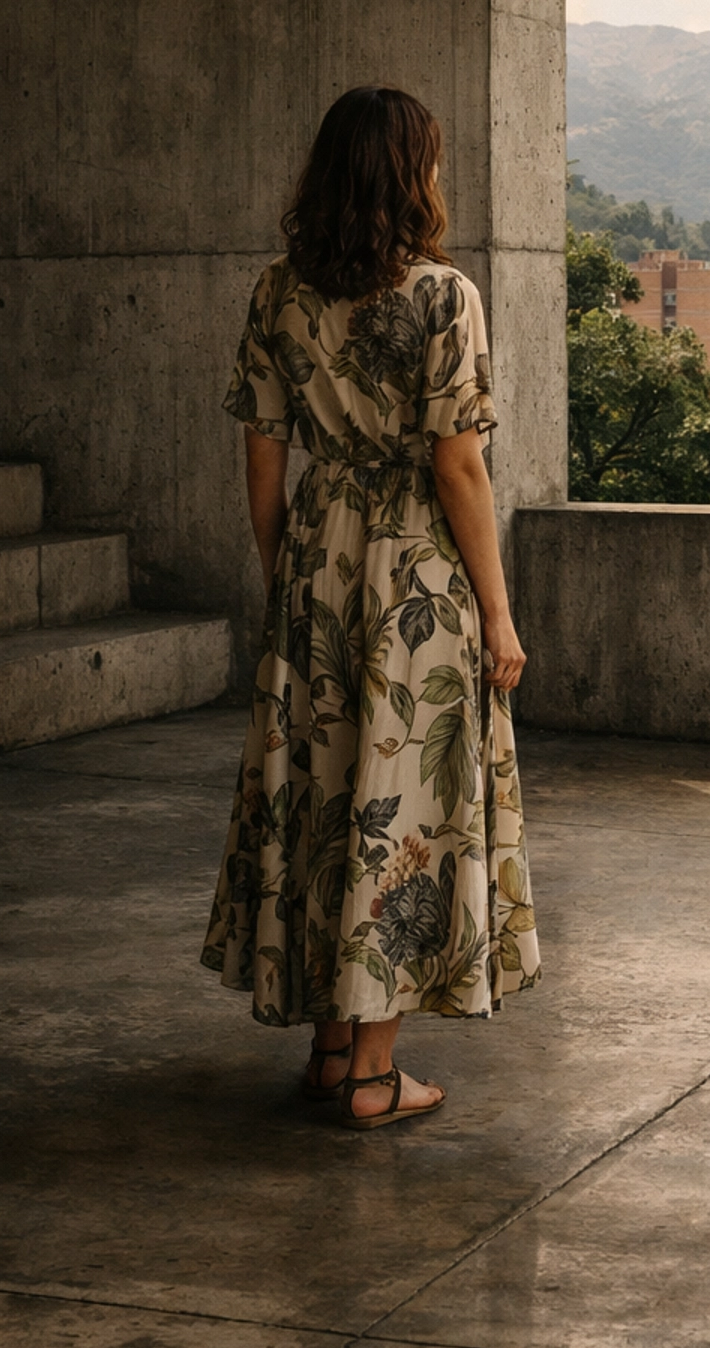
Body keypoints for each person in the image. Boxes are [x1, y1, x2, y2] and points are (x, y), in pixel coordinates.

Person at [201, 86, 540, 1129]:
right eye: (431, 161)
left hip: (318, 558)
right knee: (410, 806)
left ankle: (329, 1048)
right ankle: (374, 1078)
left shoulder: (278, 291)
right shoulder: (444, 297)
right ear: (410, 175)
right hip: (416, 576)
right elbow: (460, 469)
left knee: (322, 790)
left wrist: (285, 572)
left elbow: (263, 451)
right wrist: (499, 610)